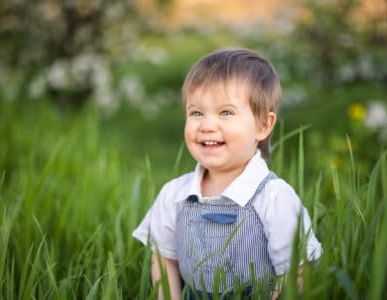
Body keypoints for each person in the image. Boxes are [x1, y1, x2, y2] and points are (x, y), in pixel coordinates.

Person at [132, 48, 322, 299]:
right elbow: (164, 259)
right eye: (196, 113)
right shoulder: (174, 194)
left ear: (263, 125)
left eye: (226, 113)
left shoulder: (274, 198)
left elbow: (298, 270)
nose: (207, 125)